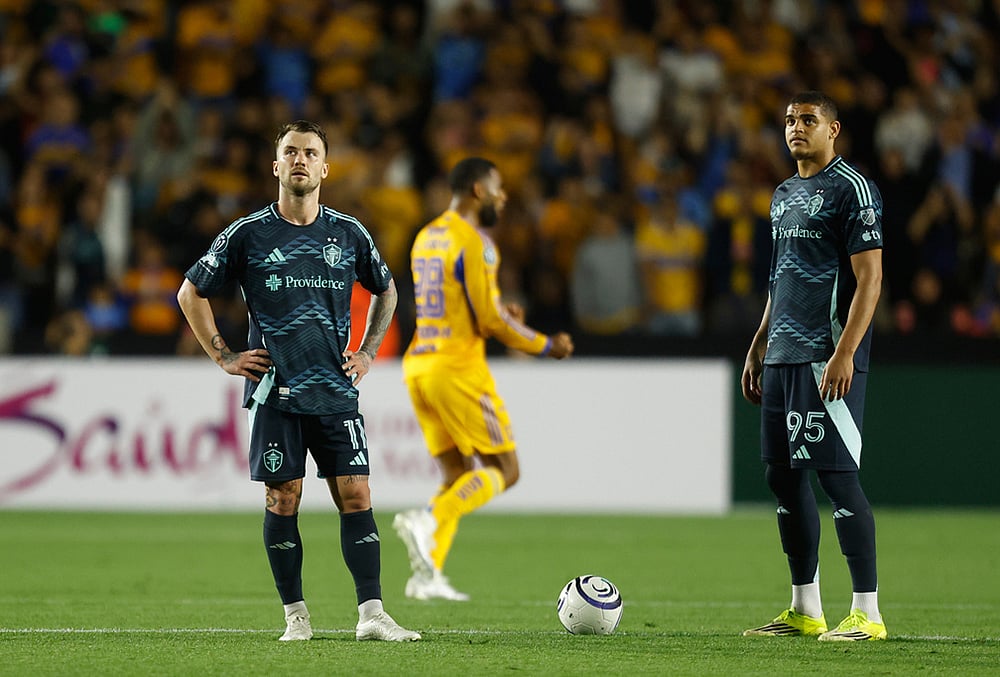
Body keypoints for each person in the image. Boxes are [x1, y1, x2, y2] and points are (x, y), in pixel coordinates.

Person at [176, 120, 420, 642]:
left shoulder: (350, 234)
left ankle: (372, 615)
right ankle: (296, 617)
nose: (301, 160)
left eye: (311, 153)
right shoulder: (247, 233)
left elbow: (387, 290)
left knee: (357, 495)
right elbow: (190, 292)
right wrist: (223, 355)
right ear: (276, 165)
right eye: (291, 152)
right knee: (282, 499)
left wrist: (370, 351)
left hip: (335, 391)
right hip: (276, 392)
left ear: (326, 167)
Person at [393, 157, 574, 601]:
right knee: (504, 470)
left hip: (419, 365)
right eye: (497, 188)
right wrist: (548, 345)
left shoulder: (426, 236)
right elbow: (491, 321)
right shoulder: (477, 242)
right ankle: (428, 519)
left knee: (457, 471)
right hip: (457, 369)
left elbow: (461, 305)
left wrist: (497, 312)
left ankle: (427, 572)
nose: (503, 196)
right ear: (477, 190)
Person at [740, 91, 886, 642]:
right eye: (789, 121)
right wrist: (758, 343)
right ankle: (805, 608)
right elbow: (780, 277)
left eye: (808, 120)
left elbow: (869, 279)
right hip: (781, 355)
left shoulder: (852, 189)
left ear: (834, 129)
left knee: (837, 477)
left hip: (827, 355)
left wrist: (846, 350)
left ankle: (867, 614)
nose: (796, 128)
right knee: (782, 476)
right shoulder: (783, 195)